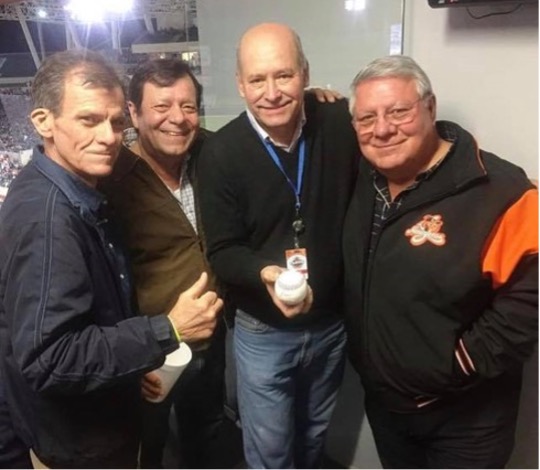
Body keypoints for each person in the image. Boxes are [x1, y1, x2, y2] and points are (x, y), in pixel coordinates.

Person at [0, 49, 222, 468]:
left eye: (116, 122)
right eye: (89, 120)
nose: (108, 137)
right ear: (43, 121)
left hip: (105, 410)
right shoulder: (48, 219)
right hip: (81, 444)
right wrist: (166, 330)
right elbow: (51, 359)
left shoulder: (74, 191)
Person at [343, 55, 538, 469]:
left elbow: (529, 300)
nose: (382, 129)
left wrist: (454, 366)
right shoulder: (363, 176)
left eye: (399, 111)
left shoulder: (501, 191)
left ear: (430, 107)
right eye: (367, 118)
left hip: (468, 420)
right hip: (388, 408)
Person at [197, 23, 359, 468]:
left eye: (284, 75)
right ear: (240, 84)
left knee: (313, 438)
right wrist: (264, 273)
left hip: (330, 326)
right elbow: (223, 251)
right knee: (270, 452)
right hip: (263, 332)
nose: (271, 93)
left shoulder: (339, 123)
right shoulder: (220, 153)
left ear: (305, 73)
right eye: (257, 79)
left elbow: (400, 133)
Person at [99, 58, 227, 469]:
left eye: (188, 106)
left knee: (207, 434)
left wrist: (311, 105)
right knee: (147, 446)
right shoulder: (108, 178)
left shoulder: (211, 153)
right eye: (161, 106)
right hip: (152, 352)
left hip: (211, 339)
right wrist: (132, 358)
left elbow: (258, 136)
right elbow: (101, 284)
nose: (177, 118)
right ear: (133, 113)